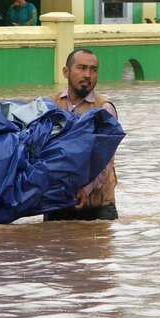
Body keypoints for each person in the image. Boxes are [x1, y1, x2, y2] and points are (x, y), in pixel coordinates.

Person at [44, 49, 120, 221]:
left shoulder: (104, 109)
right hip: (56, 201)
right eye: (82, 68)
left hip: (97, 205)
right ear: (66, 72)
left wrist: (86, 189)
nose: (88, 74)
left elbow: (106, 160)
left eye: (93, 70)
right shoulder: (49, 105)